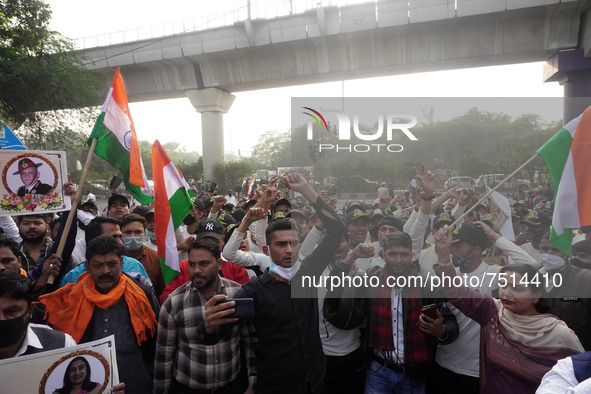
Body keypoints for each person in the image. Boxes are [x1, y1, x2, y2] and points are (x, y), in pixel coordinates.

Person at [202, 173, 346, 394]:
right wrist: (210, 325)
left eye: (293, 243)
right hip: (276, 385)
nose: (289, 250)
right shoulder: (254, 291)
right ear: (267, 250)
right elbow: (215, 332)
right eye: (281, 244)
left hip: (316, 381)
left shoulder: (308, 272)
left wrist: (306, 189)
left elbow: (337, 228)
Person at [434, 227, 585, 394]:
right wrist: (443, 255)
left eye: (517, 288)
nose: (507, 293)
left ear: (536, 295)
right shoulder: (493, 312)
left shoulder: (560, 335)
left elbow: (576, 379)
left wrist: (497, 238)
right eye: (503, 286)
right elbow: (454, 290)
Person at [40, 236, 159, 394]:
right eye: (98, 265)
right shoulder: (70, 299)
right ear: (87, 267)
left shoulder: (142, 295)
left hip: (136, 382)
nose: (106, 271)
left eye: (112, 264)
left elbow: (156, 344)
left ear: (121, 263)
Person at [154, 240, 256, 393]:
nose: (196, 270)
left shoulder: (237, 294)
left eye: (204, 264)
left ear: (219, 264)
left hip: (231, 386)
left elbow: (251, 342)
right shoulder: (174, 302)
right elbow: (163, 356)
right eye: (192, 264)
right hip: (187, 388)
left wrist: (252, 385)